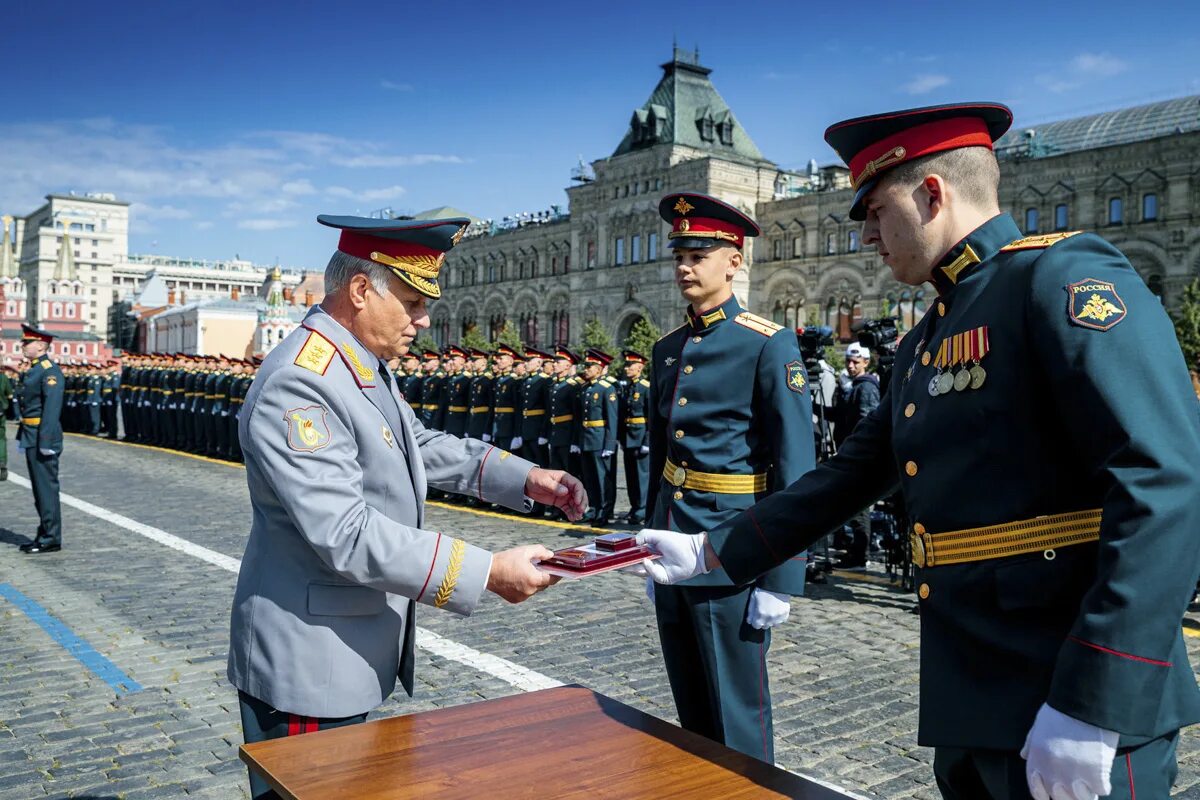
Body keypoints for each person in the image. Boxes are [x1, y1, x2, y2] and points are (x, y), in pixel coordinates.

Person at [639, 103, 1200, 800]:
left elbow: (1166, 486)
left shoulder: (1058, 281)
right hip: (971, 698)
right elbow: (848, 476)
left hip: (1070, 696)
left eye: (875, 210)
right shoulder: (929, 334)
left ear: (932, 194)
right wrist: (715, 551)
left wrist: (1097, 699)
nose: (868, 235)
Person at [228, 214, 587, 800]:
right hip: (309, 661)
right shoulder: (303, 380)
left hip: (347, 644)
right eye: (415, 301)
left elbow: (413, 444)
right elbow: (345, 532)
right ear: (362, 290)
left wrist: (525, 478)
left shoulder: (355, 362)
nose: (425, 320)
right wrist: (488, 572)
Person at [641, 193, 815, 762]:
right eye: (679, 255)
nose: (685, 266)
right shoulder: (668, 349)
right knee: (691, 709)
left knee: (738, 714)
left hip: (735, 551)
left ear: (734, 261)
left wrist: (781, 578)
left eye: (700, 253)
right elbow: (662, 456)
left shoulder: (768, 344)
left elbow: (796, 470)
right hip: (674, 546)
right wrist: (647, 540)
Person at [16, 325, 65, 554]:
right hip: (31, 435)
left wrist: (45, 441)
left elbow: (51, 409)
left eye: (28, 342)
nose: (23, 345)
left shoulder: (49, 371)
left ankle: (51, 537)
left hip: (42, 438)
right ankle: (44, 532)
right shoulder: (34, 369)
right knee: (39, 489)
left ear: (42, 346)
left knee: (46, 489)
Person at [834, 342, 881, 569]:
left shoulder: (866, 387)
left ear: (865, 362)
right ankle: (855, 550)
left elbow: (865, 421)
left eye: (855, 362)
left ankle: (860, 554)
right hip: (849, 451)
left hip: (859, 457)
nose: (851, 366)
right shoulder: (854, 386)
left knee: (860, 508)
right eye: (848, 362)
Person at [575, 348, 617, 525]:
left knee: (603, 479)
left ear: (599, 368)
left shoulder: (607, 389)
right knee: (590, 478)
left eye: (589, 366)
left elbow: (612, 419)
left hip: (600, 440)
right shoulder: (586, 389)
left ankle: (604, 511)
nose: (586, 369)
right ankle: (593, 508)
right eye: (586, 366)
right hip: (586, 439)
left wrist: (609, 444)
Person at [617, 350, 650, 524]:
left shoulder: (646, 388)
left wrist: (647, 441)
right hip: (629, 438)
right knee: (631, 477)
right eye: (626, 365)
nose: (626, 368)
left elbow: (651, 418)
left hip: (641, 437)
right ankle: (635, 507)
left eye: (630, 365)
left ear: (640, 367)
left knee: (642, 477)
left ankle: (643, 509)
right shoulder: (628, 387)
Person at [0, 363, 12, 480]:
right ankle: (2, 462)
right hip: (0, 412)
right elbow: (9, 395)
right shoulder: (3, 378)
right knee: (1, 439)